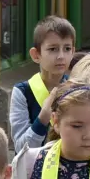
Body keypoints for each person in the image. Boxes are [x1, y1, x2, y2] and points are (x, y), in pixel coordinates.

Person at [10, 16, 77, 152]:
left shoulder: (76, 89)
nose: (61, 56)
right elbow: (21, 147)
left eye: (67, 49)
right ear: (36, 55)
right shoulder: (22, 92)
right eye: (53, 49)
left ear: (73, 52)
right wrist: (43, 119)